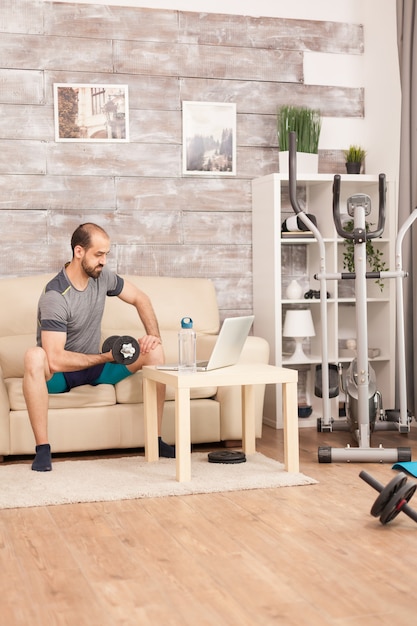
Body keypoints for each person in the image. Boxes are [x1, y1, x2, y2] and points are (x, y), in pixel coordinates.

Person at [23, 222, 174, 471]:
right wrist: (104, 357)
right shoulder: (56, 295)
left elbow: (140, 298)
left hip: (97, 367)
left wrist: (153, 336)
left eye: (106, 254)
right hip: (61, 376)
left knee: (154, 350)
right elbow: (55, 359)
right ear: (79, 252)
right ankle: (43, 449)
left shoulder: (102, 278)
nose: (103, 261)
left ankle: (155, 440)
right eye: (98, 254)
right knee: (34, 356)